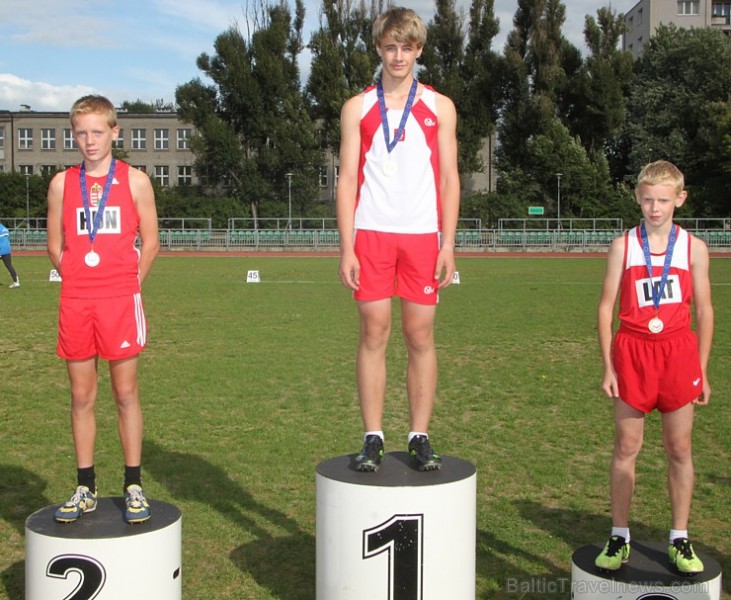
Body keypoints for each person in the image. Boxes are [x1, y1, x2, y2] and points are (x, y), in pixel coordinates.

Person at [337, 7, 460, 472]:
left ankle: (419, 435)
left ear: (419, 50)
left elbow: (449, 179)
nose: (398, 56)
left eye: (407, 47)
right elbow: (347, 179)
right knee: (373, 332)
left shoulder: (439, 106)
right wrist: (347, 245)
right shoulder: (358, 107)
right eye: (390, 47)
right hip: (371, 233)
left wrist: (447, 243)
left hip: (422, 236)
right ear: (378, 48)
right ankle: (372, 436)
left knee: (420, 335)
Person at [595, 160, 713, 574]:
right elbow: (606, 308)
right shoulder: (623, 245)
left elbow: (705, 309)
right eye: (647, 199)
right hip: (633, 352)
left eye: (663, 200)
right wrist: (609, 367)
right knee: (627, 448)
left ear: (680, 199)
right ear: (637, 198)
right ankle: (619, 535)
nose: (655, 208)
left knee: (679, 449)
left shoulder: (693, 247)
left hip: (678, 353)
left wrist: (702, 369)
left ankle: (680, 537)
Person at [47, 95, 160, 524]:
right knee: (81, 396)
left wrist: (129, 283)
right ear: (73, 134)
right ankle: (85, 486)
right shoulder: (61, 183)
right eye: (81, 132)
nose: (89, 141)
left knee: (126, 393)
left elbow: (150, 242)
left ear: (115, 132)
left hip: (119, 299)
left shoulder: (135, 181)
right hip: (76, 300)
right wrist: (76, 275)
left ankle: (133, 484)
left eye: (98, 132)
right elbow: (54, 245)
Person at [0, 222, 20, 288]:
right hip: (7, 249)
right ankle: (16, 282)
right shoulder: (5, 228)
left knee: (9, 266)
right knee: (9, 266)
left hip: (1, 248)